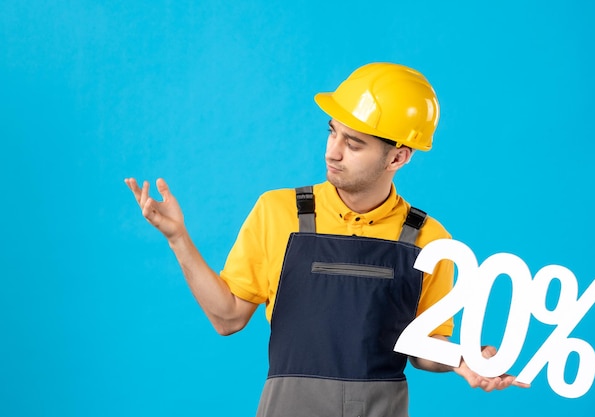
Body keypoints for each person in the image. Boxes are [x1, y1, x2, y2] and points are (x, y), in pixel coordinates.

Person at [125, 62, 527, 417]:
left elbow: (424, 347)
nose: (333, 152)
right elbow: (228, 317)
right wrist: (178, 238)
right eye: (332, 133)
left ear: (398, 157)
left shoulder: (429, 238)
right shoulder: (277, 212)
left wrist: (467, 359)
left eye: (354, 144)